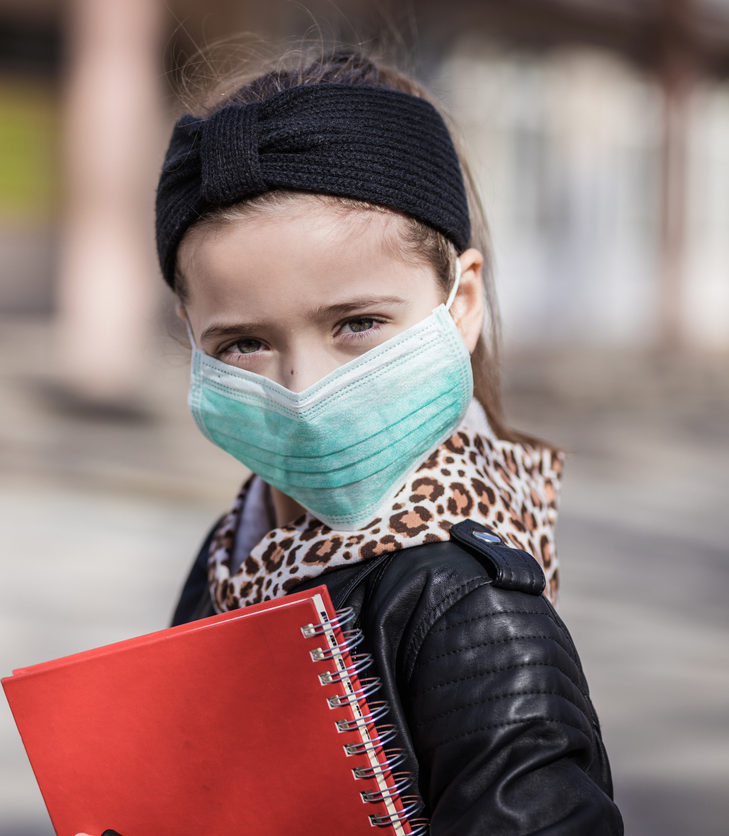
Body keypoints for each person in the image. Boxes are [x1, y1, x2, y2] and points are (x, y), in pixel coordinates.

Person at [81, 47, 622, 835]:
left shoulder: (471, 607)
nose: (304, 389)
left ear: (460, 302)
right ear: (190, 335)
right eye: (243, 343)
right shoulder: (237, 549)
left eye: (357, 324)